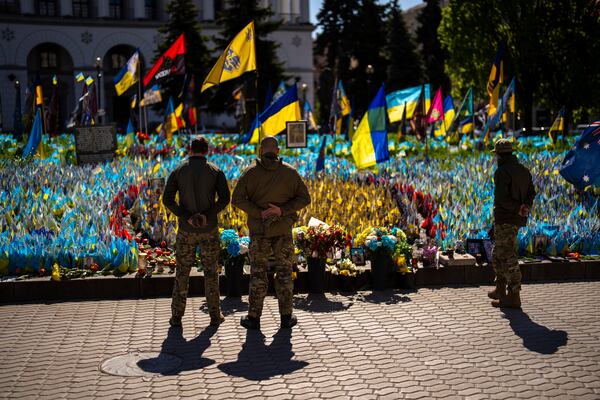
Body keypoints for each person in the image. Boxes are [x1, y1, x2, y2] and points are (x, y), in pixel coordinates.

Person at [232, 136, 311, 330]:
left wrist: (259, 213)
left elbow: (237, 199)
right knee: (284, 273)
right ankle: (286, 317)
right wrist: (282, 210)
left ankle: (254, 317)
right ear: (277, 151)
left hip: (260, 233)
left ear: (261, 151)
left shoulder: (250, 173)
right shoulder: (290, 173)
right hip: (283, 231)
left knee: (258, 274)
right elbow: (305, 198)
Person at [163, 136, 230, 327]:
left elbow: (167, 199)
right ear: (207, 151)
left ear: (190, 150)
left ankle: (177, 316)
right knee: (211, 272)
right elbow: (225, 198)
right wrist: (207, 215)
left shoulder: (179, 171)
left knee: (182, 272)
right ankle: (215, 315)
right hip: (209, 229)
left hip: (186, 229)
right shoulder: (215, 171)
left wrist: (186, 216)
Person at [489, 139, 536, 309]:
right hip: (515, 218)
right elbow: (532, 192)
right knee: (497, 253)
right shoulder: (524, 170)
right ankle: (500, 288)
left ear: (500, 155)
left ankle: (514, 295)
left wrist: (517, 208)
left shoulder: (502, 172)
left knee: (507, 254)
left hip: (506, 217)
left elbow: (501, 198)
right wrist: (525, 207)